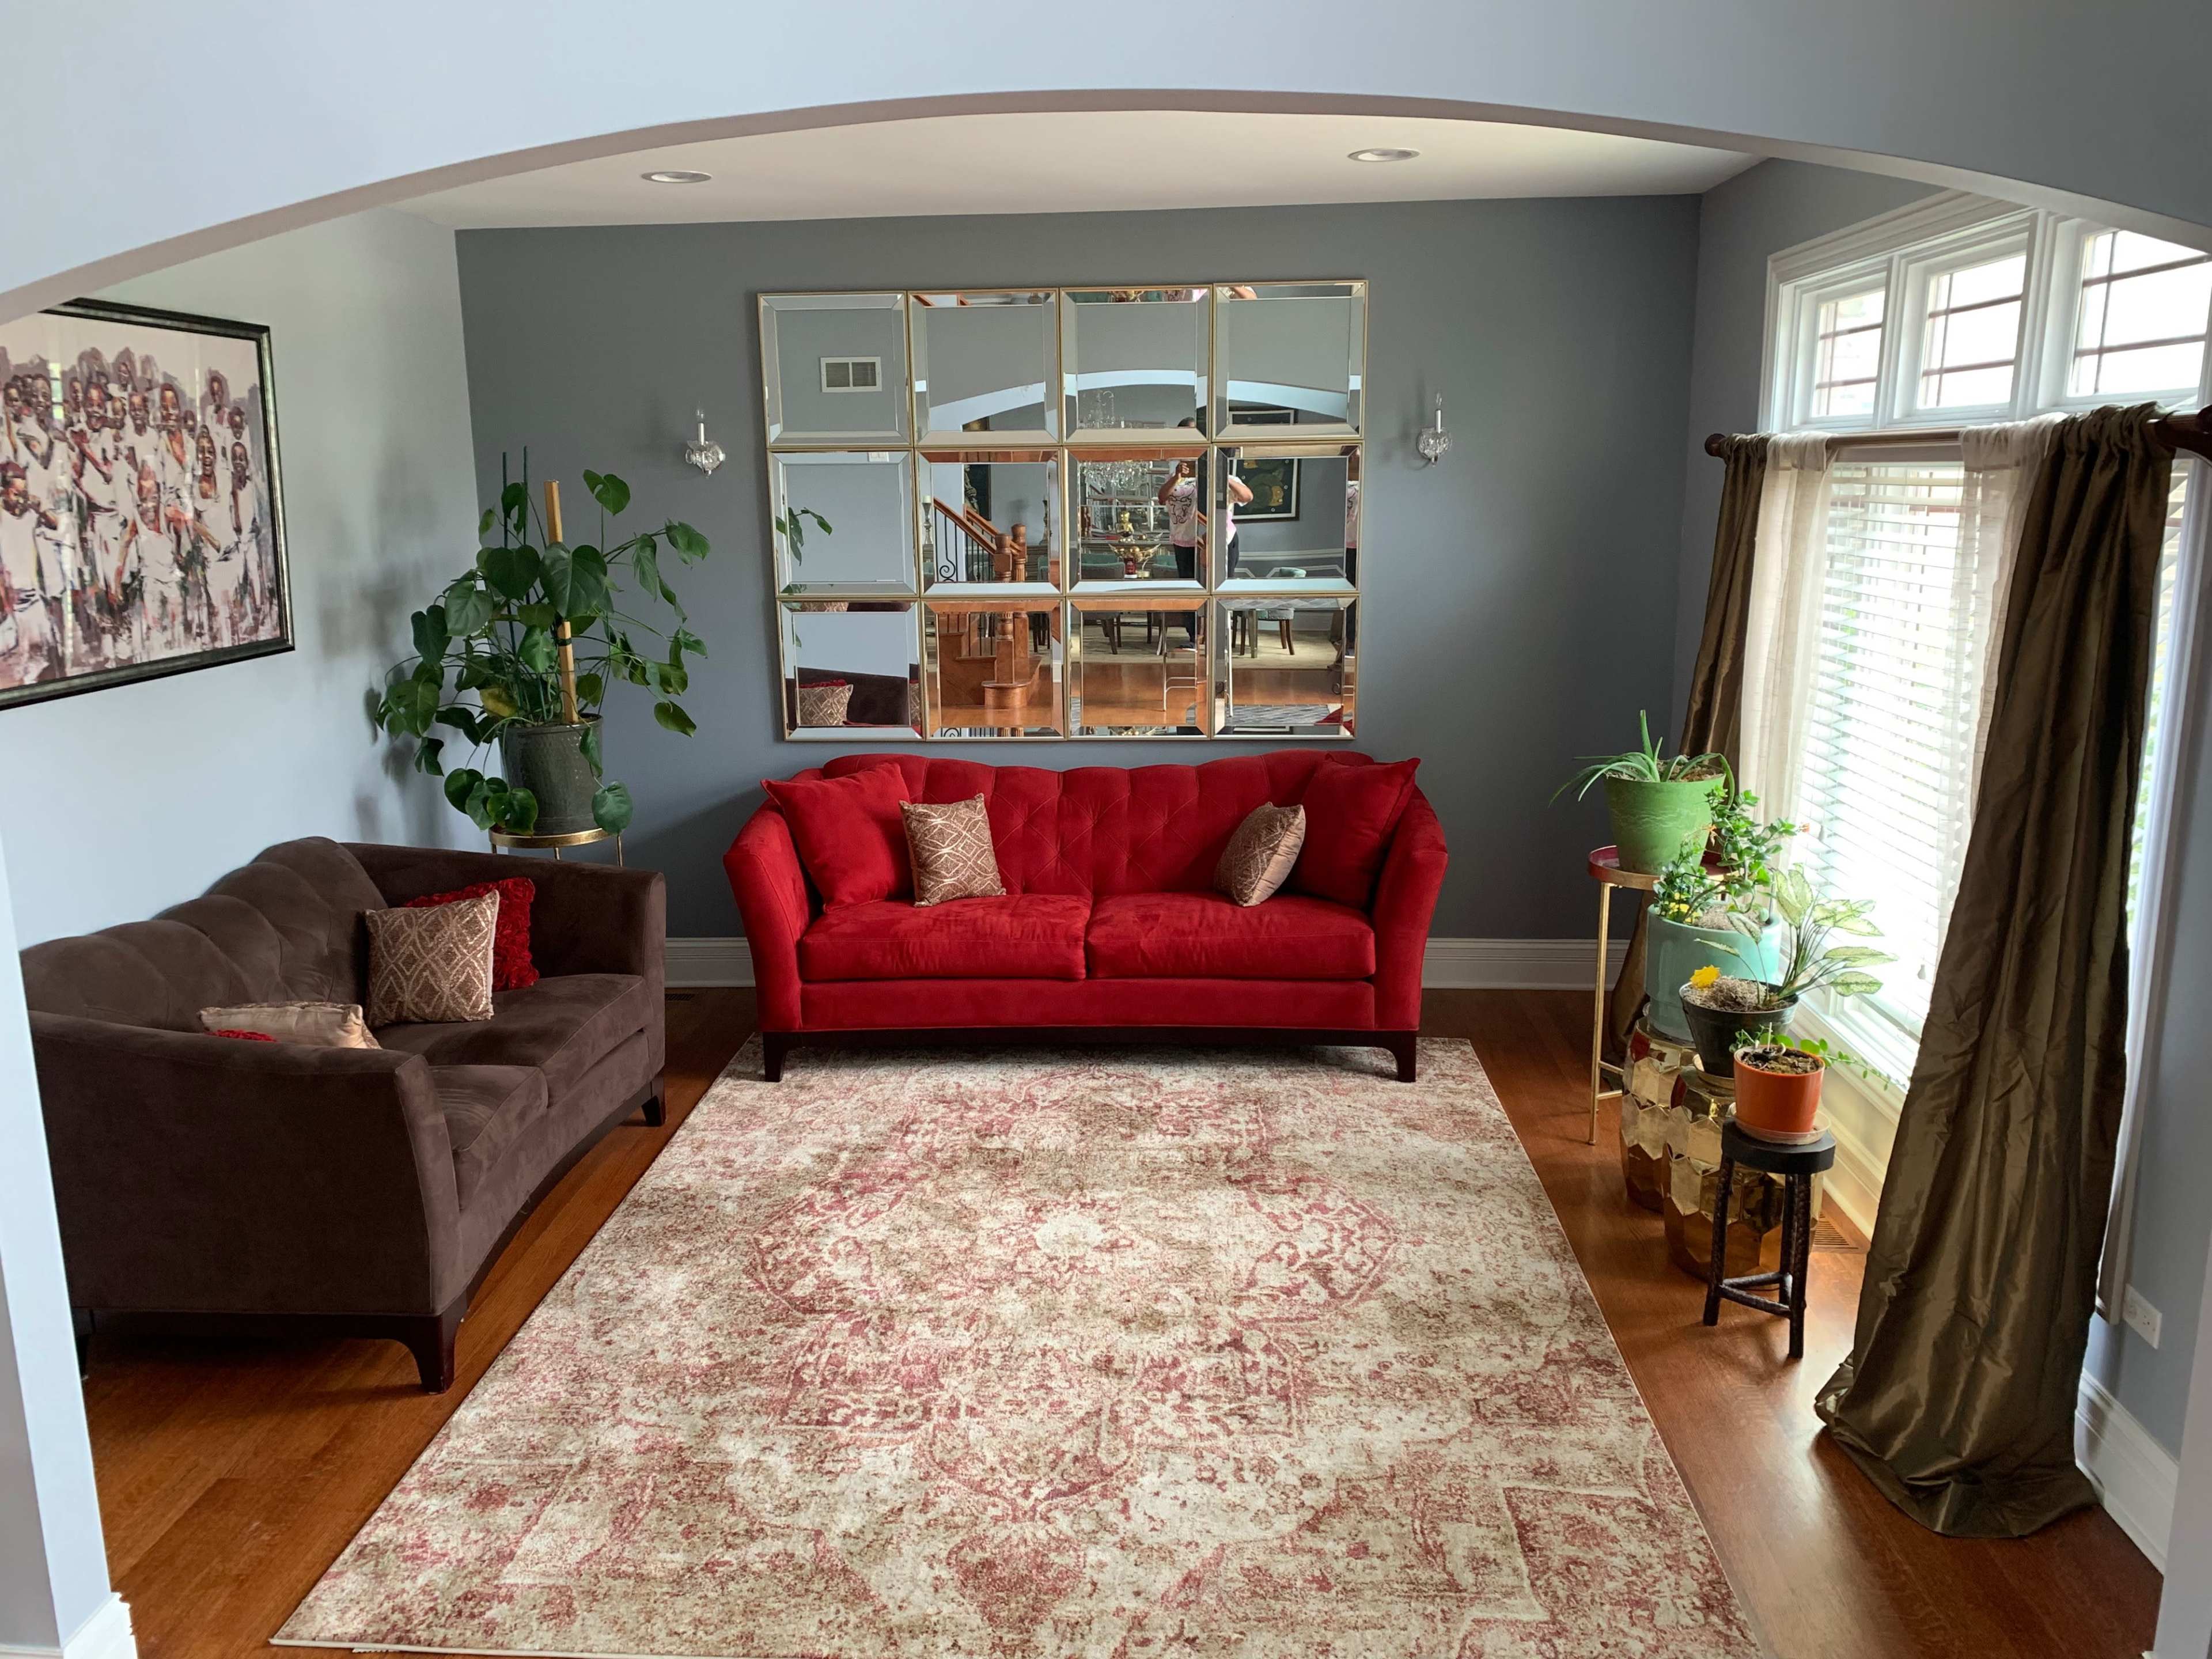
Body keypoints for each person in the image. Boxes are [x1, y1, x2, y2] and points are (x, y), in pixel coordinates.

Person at [0, 460, 67, 685]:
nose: (20, 498)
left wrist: (39, 509)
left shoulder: (30, 512)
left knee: (43, 655)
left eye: (23, 492)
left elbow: (56, 525)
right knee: (19, 657)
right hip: (12, 597)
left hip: (35, 593)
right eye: (15, 493)